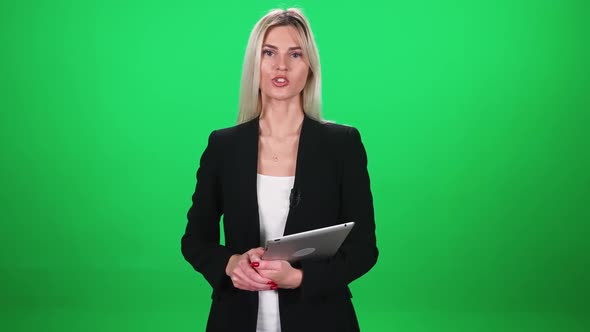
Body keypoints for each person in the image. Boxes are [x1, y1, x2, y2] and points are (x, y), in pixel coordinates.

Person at [181, 8, 378, 332]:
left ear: (310, 66)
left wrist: (299, 278)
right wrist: (231, 265)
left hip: (322, 318)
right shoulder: (223, 146)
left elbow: (364, 250)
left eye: (295, 54)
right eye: (269, 53)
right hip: (236, 317)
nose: (281, 66)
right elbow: (195, 241)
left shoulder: (342, 144)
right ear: (254, 64)